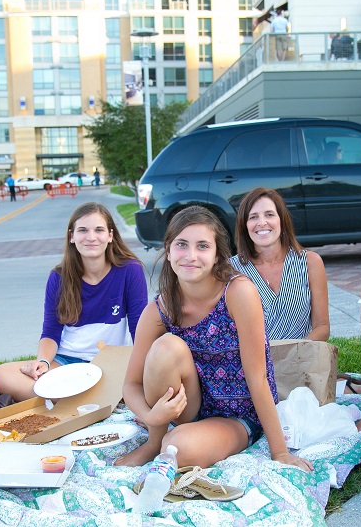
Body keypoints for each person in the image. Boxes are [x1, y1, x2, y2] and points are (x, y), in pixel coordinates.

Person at [115, 206, 312, 471]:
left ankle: (173, 441)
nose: (191, 256)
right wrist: (152, 417)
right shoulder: (159, 309)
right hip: (188, 408)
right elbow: (131, 384)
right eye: (182, 245)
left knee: (178, 450)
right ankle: (154, 441)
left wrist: (280, 452)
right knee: (165, 347)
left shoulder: (238, 292)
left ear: (218, 253)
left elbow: (258, 377)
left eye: (203, 246)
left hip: (237, 415)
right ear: (169, 250)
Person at [0, 202, 147, 402]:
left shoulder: (130, 270)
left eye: (99, 230)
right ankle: (87, 399)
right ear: (71, 237)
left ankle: (68, 399)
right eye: (83, 230)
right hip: (66, 363)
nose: (91, 237)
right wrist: (43, 361)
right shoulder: (58, 277)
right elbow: (50, 332)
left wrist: (141, 369)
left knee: (149, 380)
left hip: (112, 362)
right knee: (1, 375)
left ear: (110, 235)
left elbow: (139, 329)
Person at [229, 188, 329, 341]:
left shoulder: (310, 262)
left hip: (300, 358)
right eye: (253, 217)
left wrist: (293, 352)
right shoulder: (231, 270)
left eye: (269, 214)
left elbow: (322, 327)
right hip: (253, 362)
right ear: (244, 225)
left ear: (281, 220)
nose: (262, 223)